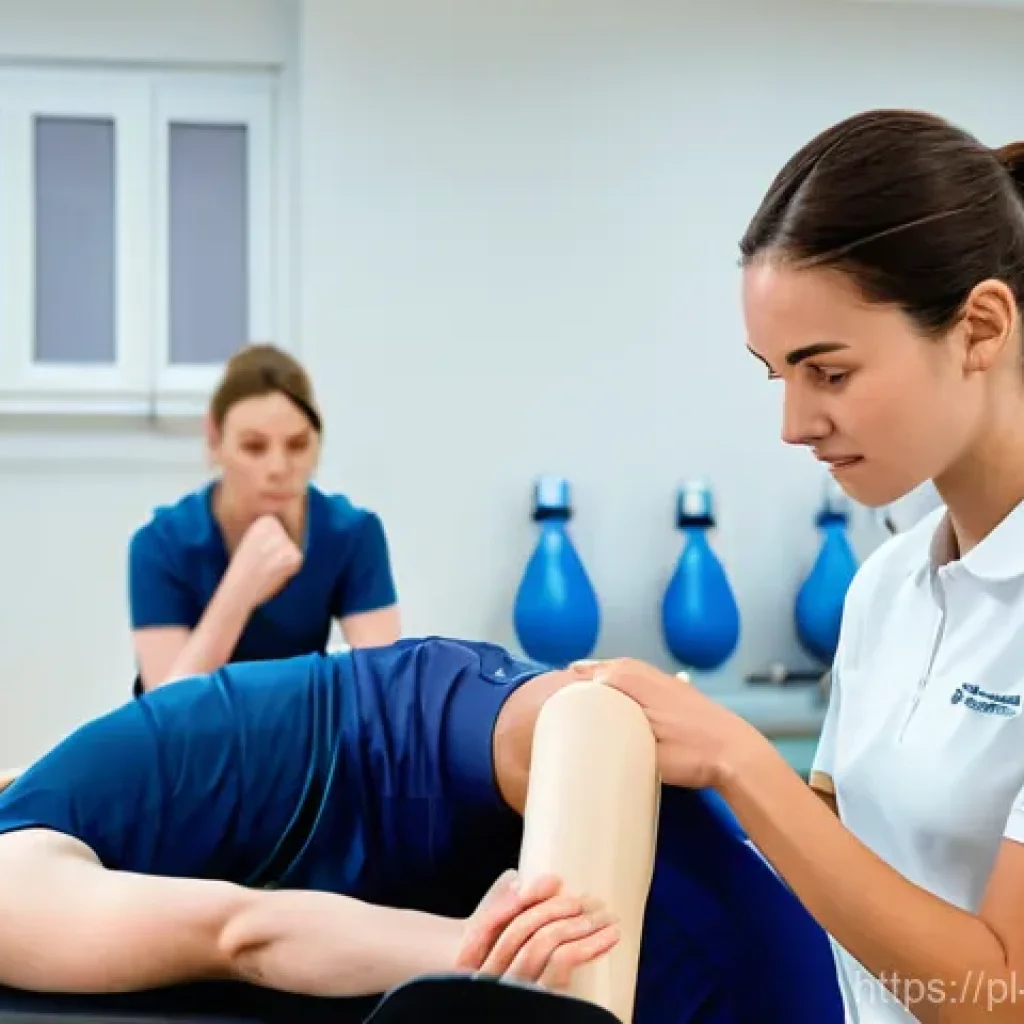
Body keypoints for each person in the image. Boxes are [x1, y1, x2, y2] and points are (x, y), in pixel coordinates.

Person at [571, 109, 1024, 1024]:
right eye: (777, 374)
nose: (793, 424)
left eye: (830, 372)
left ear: (980, 327)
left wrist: (739, 758)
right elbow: (813, 873)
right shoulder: (886, 589)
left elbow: (1003, 995)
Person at [0, 636, 842, 1024]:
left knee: (596, 733)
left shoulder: (10, 895)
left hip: (387, 740)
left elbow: (243, 933)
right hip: (387, 826)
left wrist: (473, 957)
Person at [128, 344, 401, 693]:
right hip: (195, 742)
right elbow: (164, 713)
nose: (278, 468)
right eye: (254, 447)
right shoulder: (161, 544)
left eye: (298, 445)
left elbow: (384, 692)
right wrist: (239, 592)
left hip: (299, 735)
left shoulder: (351, 533)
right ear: (215, 440)